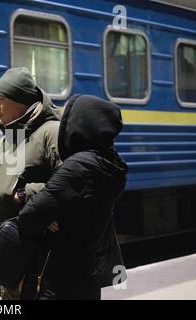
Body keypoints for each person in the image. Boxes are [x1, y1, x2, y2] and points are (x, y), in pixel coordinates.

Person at [18, 95, 129, 300]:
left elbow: (29, 217)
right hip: (87, 274)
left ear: (80, 124)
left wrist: (26, 193)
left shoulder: (78, 167)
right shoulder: (111, 166)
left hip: (60, 280)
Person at [0, 67, 62, 299]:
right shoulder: (10, 136)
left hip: (36, 256)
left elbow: (73, 184)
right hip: (10, 251)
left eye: (0, 100)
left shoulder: (51, 132)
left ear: (20, 101)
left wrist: (29, 194)